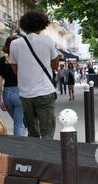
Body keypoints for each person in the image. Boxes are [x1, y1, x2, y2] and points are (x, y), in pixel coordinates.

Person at [10, 10, 59, 139]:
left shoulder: (14, 44)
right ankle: (47, 158)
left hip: (26, 95)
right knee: (47, 131)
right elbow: (55, 65)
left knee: (32, 133)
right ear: (42, 25)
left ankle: (35, 157)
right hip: (45, 92)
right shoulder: (47, 40)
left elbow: (15, 69)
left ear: (24, 25)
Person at [0, 35, 25, 136]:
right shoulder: (22, 60)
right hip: (20, 93)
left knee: (18, 122)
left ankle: (20, 141)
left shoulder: (0, 61)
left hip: (7, 94)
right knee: (19, 123)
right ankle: (20, 146)